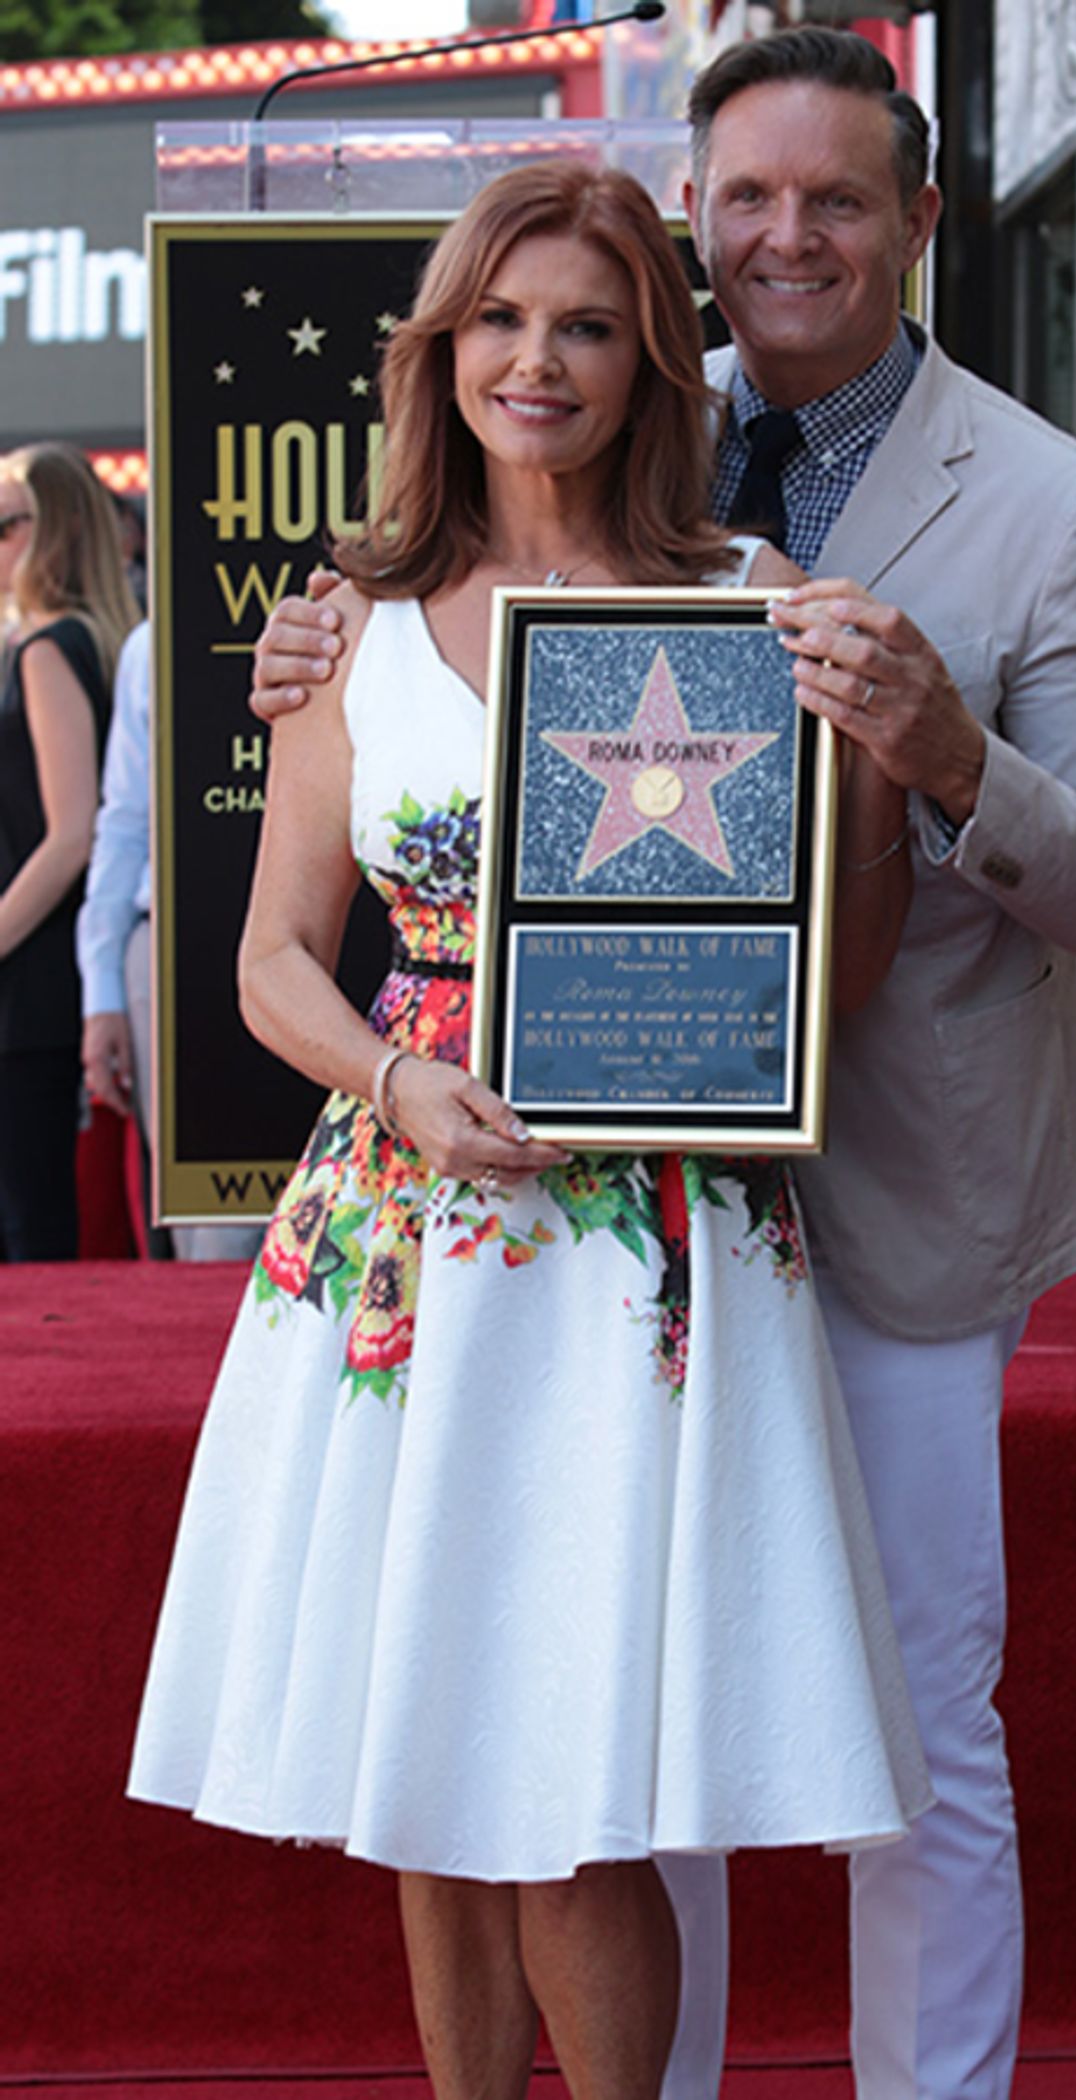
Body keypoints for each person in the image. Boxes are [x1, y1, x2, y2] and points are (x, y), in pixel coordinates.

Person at [248, 30, 1076, 2100]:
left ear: (920, 220)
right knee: (612, 1724)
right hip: (572, 1235)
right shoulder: (592, 487)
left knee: (910, 1744)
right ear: (695, 230)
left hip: (890, 1200)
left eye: (835, 198)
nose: (786, 236)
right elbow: (322, 883)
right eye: (745, 200)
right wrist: (334, 663)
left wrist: (937, 751)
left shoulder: (1040, 503)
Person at [128, 161, 936, 2100]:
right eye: (499, 321)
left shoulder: (754, 611)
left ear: (652, 357)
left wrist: (889, 782)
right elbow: (263, 970)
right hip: (410, 1234)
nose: (537, 360)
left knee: (579, 1781)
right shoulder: (355, 624)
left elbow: (833, 973)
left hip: (652, 1245)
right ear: (440, 355)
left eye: (583, 322)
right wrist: (399, 1080)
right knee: (431, 1756)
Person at [77, 620, 263, 1262]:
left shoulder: (385, 618)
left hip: (359, 954)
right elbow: (126, 823)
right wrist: (101, 989)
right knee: (218, 1240)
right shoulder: (154, 643)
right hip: (182, 952)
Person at [0, 441, 138, 1260]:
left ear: (54, 529)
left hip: (31, 979)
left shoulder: (50, 648)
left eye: (8, 523)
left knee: (27, 1226)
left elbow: (71, 832)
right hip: (38, 971)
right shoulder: (52, 641)